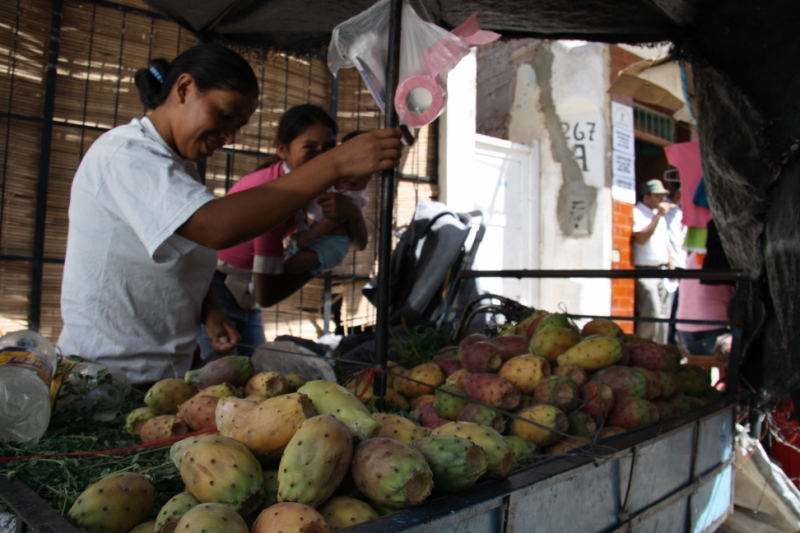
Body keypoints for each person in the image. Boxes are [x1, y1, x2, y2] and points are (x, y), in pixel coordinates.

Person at [56, 44, 402, 385]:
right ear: (185, 88)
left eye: (237, 126)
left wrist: (211, 311)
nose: (227, 136)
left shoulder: (178, 169)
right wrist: (335, 163)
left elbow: (182, 255)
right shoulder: (127, 154)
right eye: (224, 116)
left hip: (158, 374)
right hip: (104, 377)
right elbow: (214, 228)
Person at [198, 108, 368, 360]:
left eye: (330, 147)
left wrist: (352, 212)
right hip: (219, 290)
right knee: (222, 380)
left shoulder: (311, 183)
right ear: (282, 150)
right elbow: (267, 296)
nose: (322, 158)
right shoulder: (272, 197)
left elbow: (359, 242)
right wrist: (316, 260)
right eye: (310, 148)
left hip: (245, 292)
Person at [284, 130, 374, 276]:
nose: (356, 179)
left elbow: (333, 218)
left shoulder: (354, 197)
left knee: (300, 262)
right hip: (305, 232)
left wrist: (310, 235)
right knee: (283, 260)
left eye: (366, 176)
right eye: (354, 168)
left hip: (331, 243)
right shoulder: (327, 178)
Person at [632, 178, 673, 344]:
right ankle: (645, 348)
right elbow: (641, 238)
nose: (662, 200)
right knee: (652, 314)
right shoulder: (637, 213)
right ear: (646, 197)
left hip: (661, 270)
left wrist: (672, 267)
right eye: (658, 196)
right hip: (645, 270)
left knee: (664, 316)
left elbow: (665, 242)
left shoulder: (660, 216)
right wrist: (657, 217)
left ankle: (660, 350)